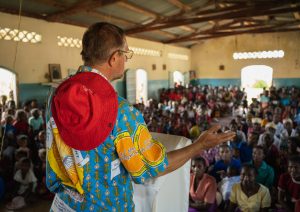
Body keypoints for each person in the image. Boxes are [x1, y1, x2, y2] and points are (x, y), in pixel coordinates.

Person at [46, 22, 235, 211]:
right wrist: (199, 145)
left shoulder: (56, 96)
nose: (126, 60)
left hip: (64, 204)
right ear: (114, 58)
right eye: (125, 54)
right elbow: (155, 167)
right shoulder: (120, 111)